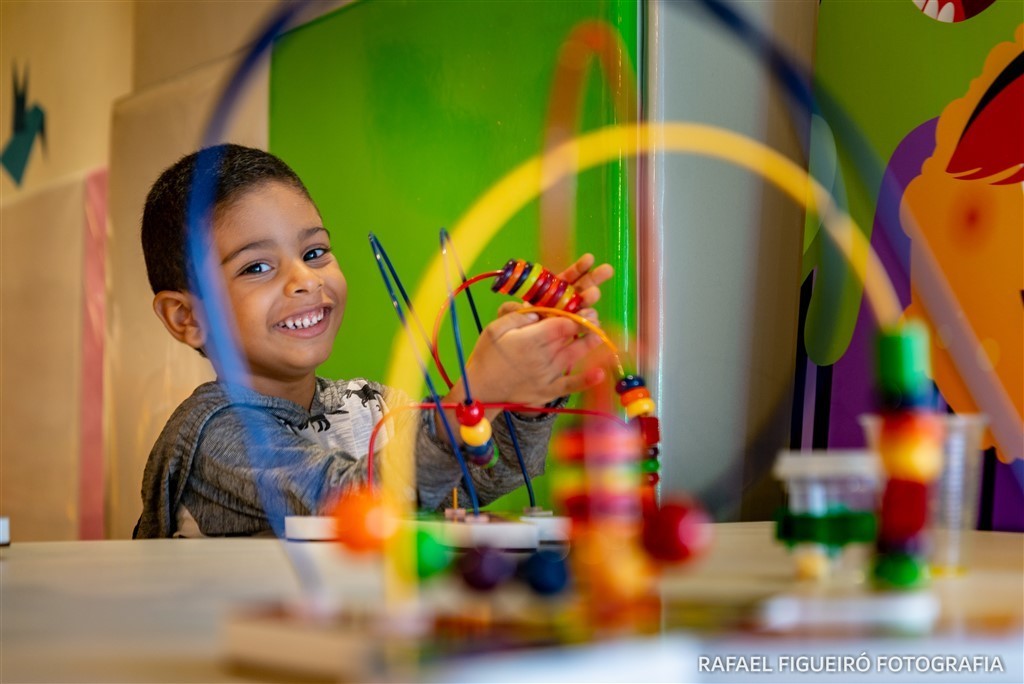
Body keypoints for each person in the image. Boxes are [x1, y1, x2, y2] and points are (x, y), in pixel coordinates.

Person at [133, 144, 612, 538]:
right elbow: (349, 500)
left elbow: (481, 476)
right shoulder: (211, 435)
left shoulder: (373, 408)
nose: (304, 280)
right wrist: (473, 396)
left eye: (315, 251)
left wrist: (524, 394)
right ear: (187, 317)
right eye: (257, 267)